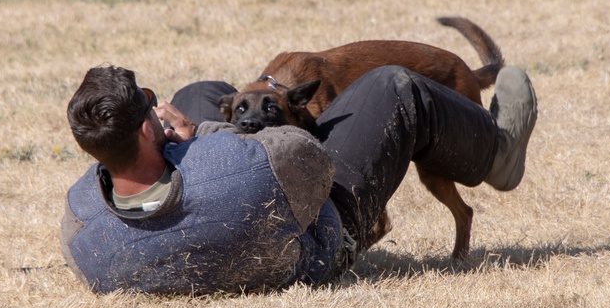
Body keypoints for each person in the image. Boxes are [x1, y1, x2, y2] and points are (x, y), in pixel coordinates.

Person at [61, 62, 538, 294]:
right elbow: (306, 155)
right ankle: (497, 153)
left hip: (208, 238)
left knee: (201, 91)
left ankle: (221, 102)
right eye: (150, 103)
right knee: (394, 85)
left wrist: (180, 139)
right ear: (148, 128)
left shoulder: (80, 226)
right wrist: (199, 135)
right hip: (314, 236)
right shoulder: (242, 169)